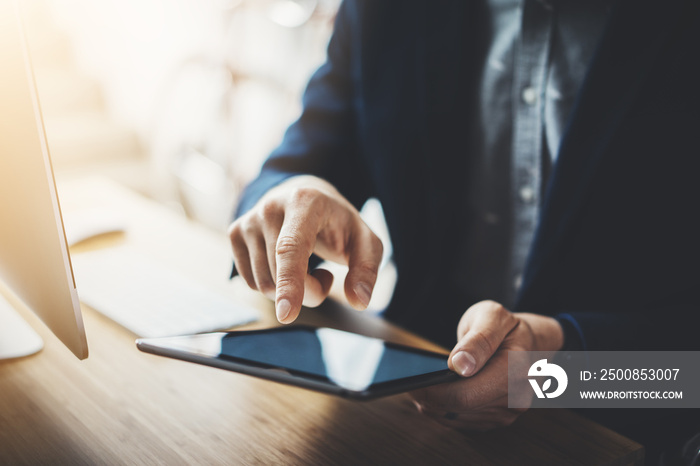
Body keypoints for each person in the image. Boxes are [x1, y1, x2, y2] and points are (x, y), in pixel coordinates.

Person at [229, 0, 700, 462]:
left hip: (625, 432)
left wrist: (560, 369)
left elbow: (685, 379)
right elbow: (287, 175)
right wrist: (287, 206)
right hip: (406, 413)